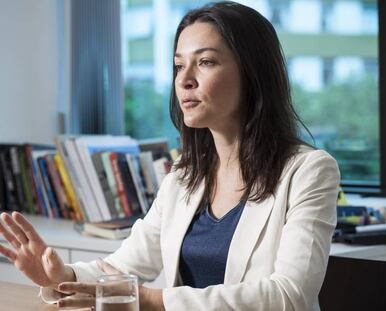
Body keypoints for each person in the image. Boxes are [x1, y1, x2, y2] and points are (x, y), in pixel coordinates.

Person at [0, 1, 340, 310]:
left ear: (253, 73)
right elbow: (122, 267)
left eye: (205, 62)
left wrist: (151, 300)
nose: (185, 80)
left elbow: (289, 295)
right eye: (179, 66)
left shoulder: (308, 171)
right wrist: (62, 275)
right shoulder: (184, 175)